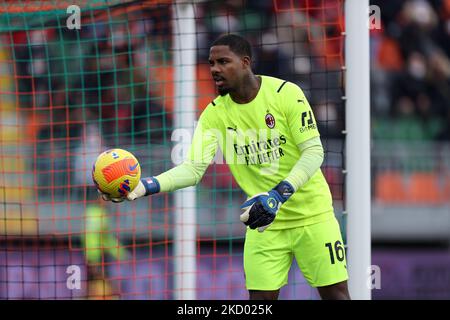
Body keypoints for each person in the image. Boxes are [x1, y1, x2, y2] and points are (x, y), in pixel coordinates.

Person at [99, 34, 350, 300]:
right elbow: (193, 170)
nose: (215, 69)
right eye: (211, 63)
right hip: (264, 223)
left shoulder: (285, 94)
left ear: (245, 63)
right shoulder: (214, 114)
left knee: (336, 295)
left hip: (313, 217)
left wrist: (278, 195)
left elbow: (314, 152)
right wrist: (143, 186)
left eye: (223, 62)